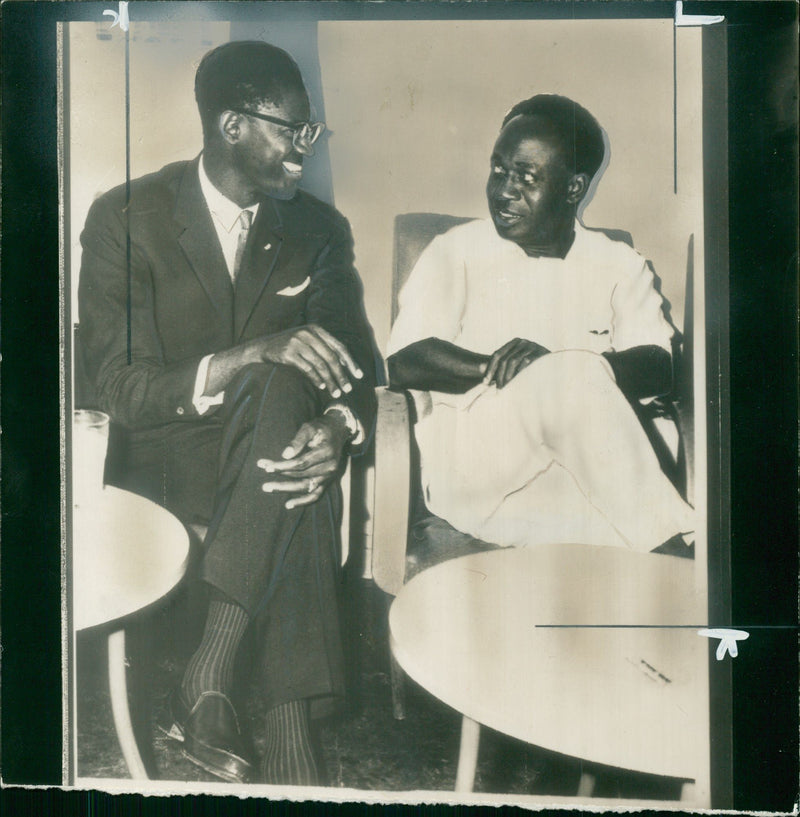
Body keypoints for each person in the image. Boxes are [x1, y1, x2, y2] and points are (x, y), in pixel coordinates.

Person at [78, 41, 377, 785]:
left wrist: (338, 430)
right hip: (163, 457)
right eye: (291, 129)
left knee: (285, 413)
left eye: (312, 132)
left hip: (269, 455)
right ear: (232, 124)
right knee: (276, 398)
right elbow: (114, 384)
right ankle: (289, 731)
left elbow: (358, 361)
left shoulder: (317, 230)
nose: (304, 149)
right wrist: (243, 358)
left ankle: (212, 669)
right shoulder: (125, 217)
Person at [386, 94, 693, 556]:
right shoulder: (456, 251)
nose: (504, 190)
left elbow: (660, 364)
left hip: (580, 480)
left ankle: (659, 565)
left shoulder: (618, 263)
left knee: (574, 381)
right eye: (498, 170)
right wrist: (507, 368)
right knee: (568, 380)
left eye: (526, 177)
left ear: (574, 188)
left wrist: (573, 369)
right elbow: (405, 361)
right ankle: (677, 548)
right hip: (478, 474)